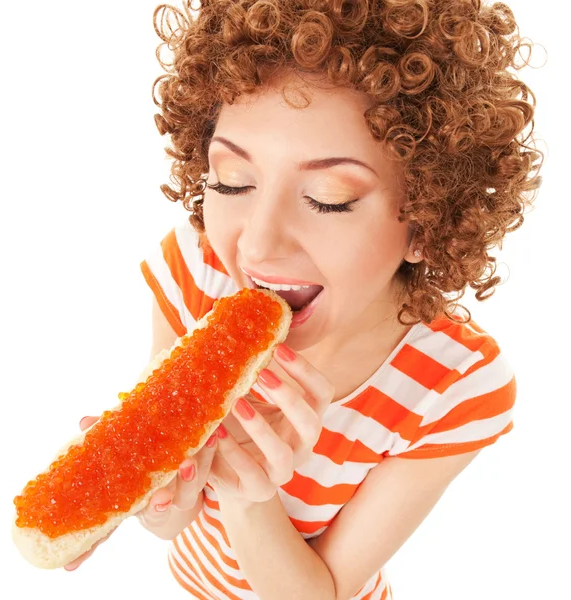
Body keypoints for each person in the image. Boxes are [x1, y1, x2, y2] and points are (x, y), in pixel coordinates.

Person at [63, 1, 543, 598]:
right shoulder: (198, 269)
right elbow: (171, 522)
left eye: (329, 197)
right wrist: (153, 494)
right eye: (232, 181)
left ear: (426, 221)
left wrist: (250, 495)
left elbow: (324, 593)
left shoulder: (458, 385)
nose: (257, 245)